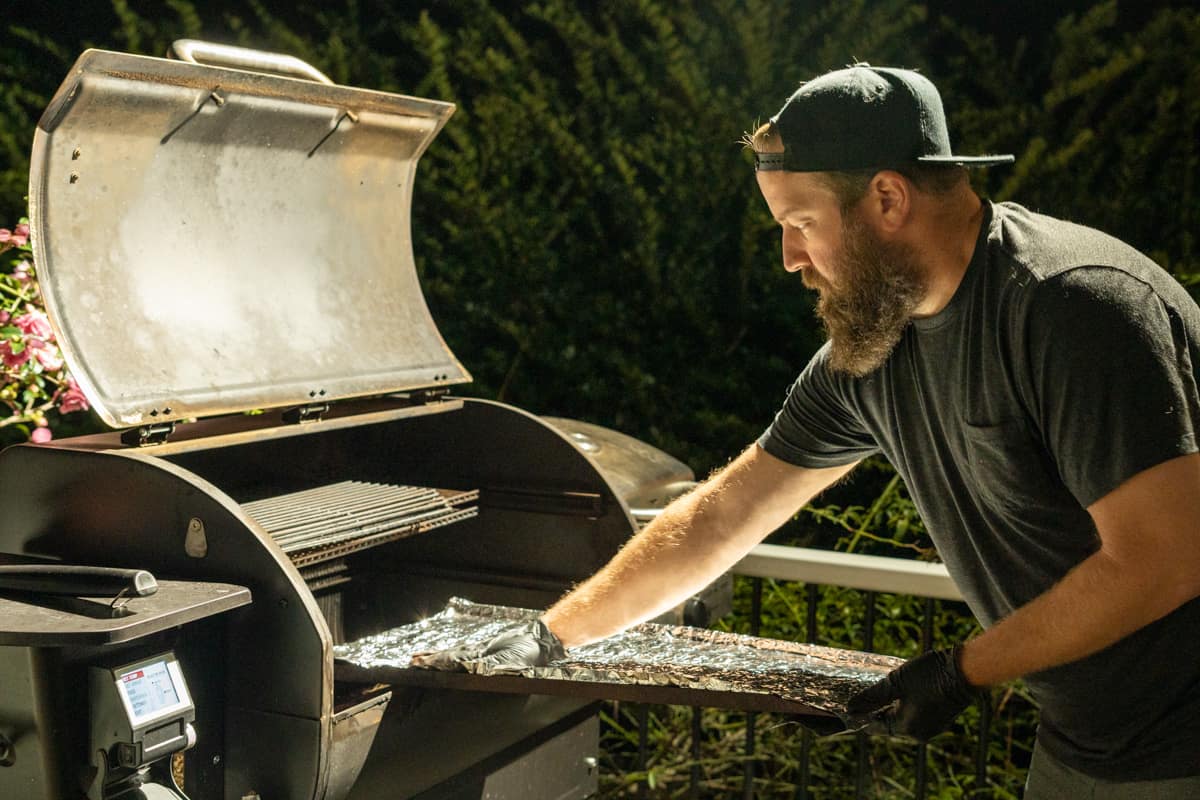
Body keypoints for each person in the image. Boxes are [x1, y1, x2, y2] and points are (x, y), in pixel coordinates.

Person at [416, 65, 1200, 795]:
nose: (790, 257)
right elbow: (725, 515)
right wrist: (553, 637)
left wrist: (963, 671)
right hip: (1085, 749)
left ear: (888, 199)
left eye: (800, 222)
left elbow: (1162, 559)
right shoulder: (872, 350)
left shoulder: (1073, 306)